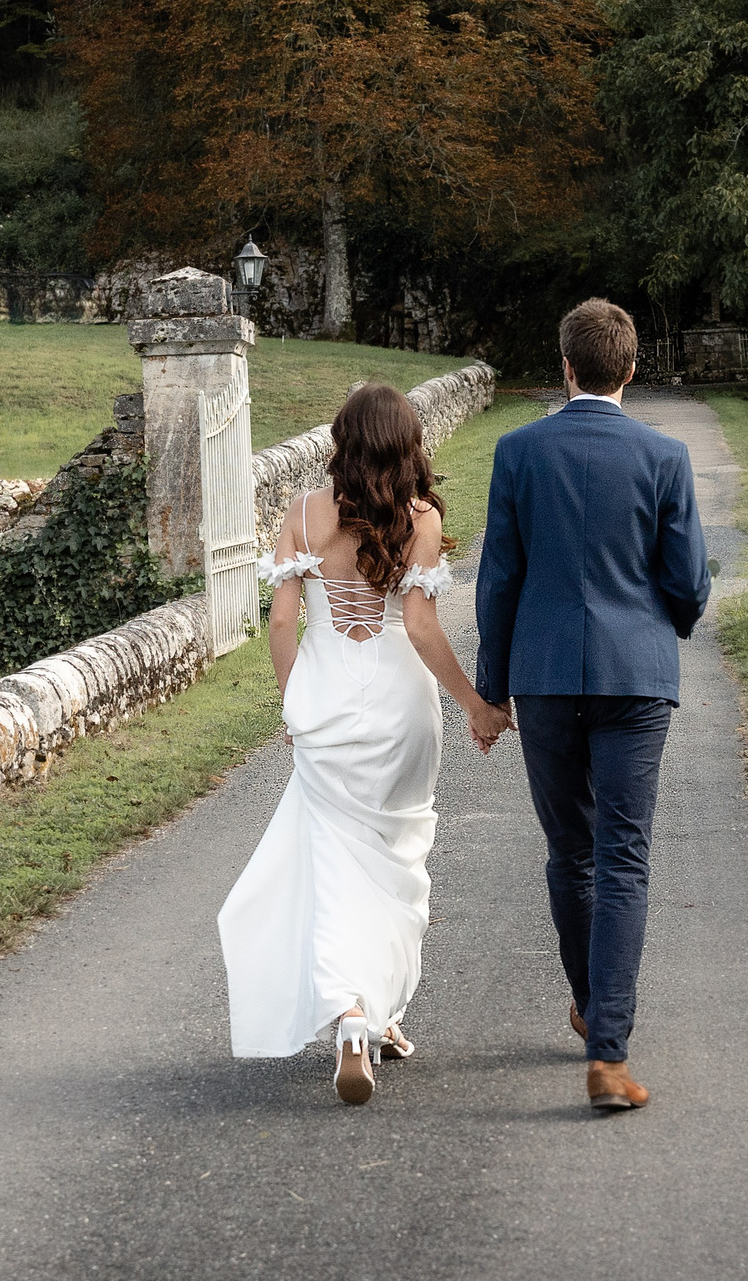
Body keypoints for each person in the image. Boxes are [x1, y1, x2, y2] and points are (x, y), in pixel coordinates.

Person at [217, 382, 511, 1106]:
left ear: (344, 442)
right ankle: (376, 1014)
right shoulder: (422, 519)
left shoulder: (303, 514)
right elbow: (417, 626)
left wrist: (294, 700)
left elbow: (282, 625)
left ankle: (356, 1016)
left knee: (334, 861)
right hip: (399, 704)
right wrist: (476, 704)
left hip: (326, 702)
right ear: (408, 443)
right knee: (396, 860)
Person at [474, 298, 709, 1112]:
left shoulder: (517, 451)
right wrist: (663, 623)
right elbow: (687, 582)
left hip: (541, 676)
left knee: (570, 849)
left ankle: (592, 1006)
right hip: (636, 677)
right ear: (631, 370)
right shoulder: (666, 455)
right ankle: (607, 1046)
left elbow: (498, 576)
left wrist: (490, 685)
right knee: (623, 855)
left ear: (565, 366)